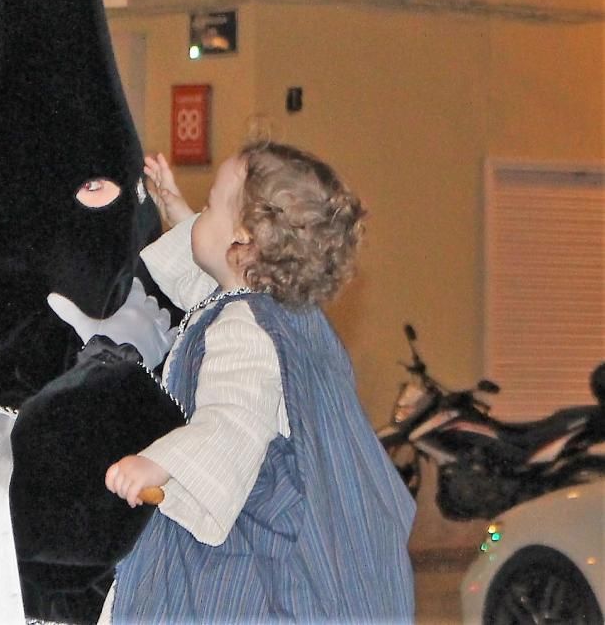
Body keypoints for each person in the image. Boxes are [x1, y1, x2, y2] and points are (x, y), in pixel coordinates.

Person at [99, 142, 417, 624]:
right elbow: (213, 289)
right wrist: (185, 216)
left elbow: (233, 422)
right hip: (310, 536)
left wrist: (158, 463)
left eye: (209, 205)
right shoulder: (285, 313)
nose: (201, 213)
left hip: (255, 555)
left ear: (244, 237)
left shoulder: (244, 330)